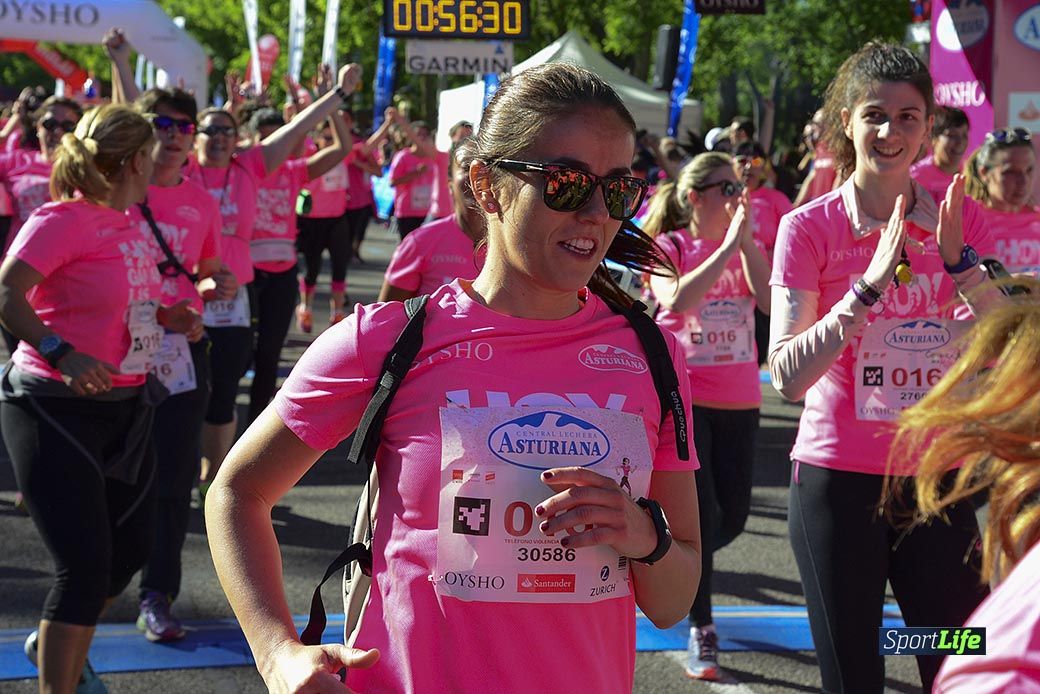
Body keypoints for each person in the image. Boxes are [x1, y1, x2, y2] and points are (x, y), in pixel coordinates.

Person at [206, 62, 702, 693]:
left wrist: (643, 535)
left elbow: (672, 598)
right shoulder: (386, 340)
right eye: (568, 184)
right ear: (487, 186)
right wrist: (276, 652)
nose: (597, 214)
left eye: (617, 189)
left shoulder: (652, 355)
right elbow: (236, 493)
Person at [769, 42, 1000, 692]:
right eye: (875, 114)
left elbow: (1006, 349)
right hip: (837, 487)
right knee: (855, 677)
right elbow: (787, 376)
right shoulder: (807, 229)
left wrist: (962, 267)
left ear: (928, 126)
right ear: (848, 121)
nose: (890, 131)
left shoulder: (960, 216)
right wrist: (864, 291)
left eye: (907, 117)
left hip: (937, 486)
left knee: (956, 668)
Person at [0, 103, 202, 694]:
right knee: (83, 568)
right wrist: (60, 349)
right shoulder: (62, 219)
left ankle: (59, 641)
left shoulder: (127, 219)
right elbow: (7, 292)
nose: (165, 159)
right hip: (52, 404)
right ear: (137, 160)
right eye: (157, 151)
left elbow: (119, 299)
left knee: (132, 548)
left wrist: (168, 315)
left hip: (126, 405)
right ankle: (59, 677)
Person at [643, 152, 770, 681]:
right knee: (708, 515)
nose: (735, 198)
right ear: (694, 197)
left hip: (740, 397)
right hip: (686, 399)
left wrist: (743, 245)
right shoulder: (671, 246)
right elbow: (680, 296)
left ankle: (674, 562)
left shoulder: (744, 246)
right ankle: (703, 624)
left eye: (739, 188)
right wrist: (725, 247)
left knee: (733, 516)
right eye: (725, 188)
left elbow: (769, 300)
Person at [125, 85, 238, 643]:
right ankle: (89, 586)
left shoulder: (200, 202)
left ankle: (157, 593)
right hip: (114, 352)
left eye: (183, 127)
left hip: (181, 353)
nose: (173, 137)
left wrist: (215, 285)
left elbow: (207, 269)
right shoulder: (116, 191)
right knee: (109, 476)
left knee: (172, 478)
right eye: (160, 125)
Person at [892, 279, 1040, 692]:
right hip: (844, 478)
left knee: (944, 640)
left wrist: (964, 268)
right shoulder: (1004, 670)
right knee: (868, 648)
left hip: (940, 483)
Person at [378, 147, 483, 301]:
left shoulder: (520, 247)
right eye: (467, 167)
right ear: (450, 183)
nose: (476, 176)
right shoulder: (419, 242)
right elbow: (384, 319)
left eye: (487, 167)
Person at [295, 114, 353, 333]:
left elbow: (367, 146)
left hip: (337, 219)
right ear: (317, 139)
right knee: (311, 270)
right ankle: (305, 307)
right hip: (312, 222)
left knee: (340, 268)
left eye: (333, 138)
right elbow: (297, 140)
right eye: (326, 138)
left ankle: (337, 313)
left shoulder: (342, 157)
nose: (330, 142)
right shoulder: (309, 156)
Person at [964, 128, 1039, 276]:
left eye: (1029, 170)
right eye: (1010, 172)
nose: (1023, 181)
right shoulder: (967, 220)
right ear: (984, 173)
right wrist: (1010, 284)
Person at [387, 118, 436, 238]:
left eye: (425, 134)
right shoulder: (403, 157)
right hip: (407, 212)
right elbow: (392, 182)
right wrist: (416, 173)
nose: (422, 137)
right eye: (419, 134)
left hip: (429, 212)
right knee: (408, 249)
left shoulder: (434, 157)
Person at [910, 106, 969, 202]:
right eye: (952, 135)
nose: (960, 142)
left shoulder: (971, 176)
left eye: (964, 135)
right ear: (933, 139)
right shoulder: (915, 178)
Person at [792, 110, 837, 208]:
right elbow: (812, 177)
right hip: (817, 207)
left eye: (819, 123)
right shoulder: (819, 148)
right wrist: (797, 205)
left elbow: (840, 177)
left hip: (831, 209)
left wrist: (831, 206)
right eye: (814, 123)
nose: (815, 127)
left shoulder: (839, 148)